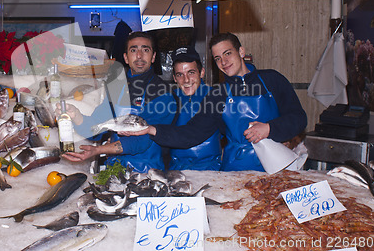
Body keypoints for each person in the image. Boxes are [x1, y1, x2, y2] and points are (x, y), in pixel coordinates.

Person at [121, 32, 307, 172]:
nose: (224, 62)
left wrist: (270, 128)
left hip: (276, 167)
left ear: (241, 51)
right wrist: (151, 129)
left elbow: (298, 118)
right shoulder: (218, 94)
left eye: (227, 54)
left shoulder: (272, 80)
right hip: (235, 169)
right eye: (218, 58)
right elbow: (192, 133)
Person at [58, 31, 175, 173]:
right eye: (133, 50)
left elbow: (141, 141)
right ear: (126, 58)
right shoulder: (116, 87)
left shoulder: (163, 92)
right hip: (113, 169)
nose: (139, 55)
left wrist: (98, 150)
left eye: (145, 50)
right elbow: (97, 129)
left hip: (147, 172)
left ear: (153, 56)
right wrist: (76, 116)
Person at [169, 46, 222, 171]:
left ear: (202, 72)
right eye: (180, 75)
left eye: (191, 73)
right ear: (174, 78)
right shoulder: (168, 100)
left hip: (212, 170)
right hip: (177, 171)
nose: (186, 80)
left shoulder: (216, 97)